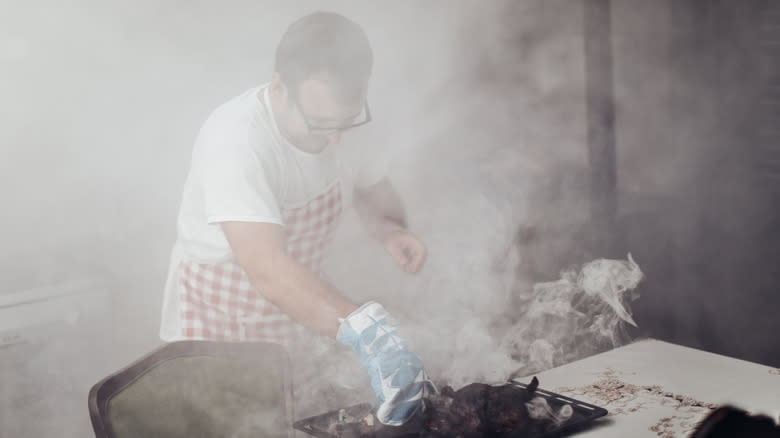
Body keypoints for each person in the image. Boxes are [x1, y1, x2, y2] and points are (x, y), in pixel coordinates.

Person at [159, 11, 434, 426]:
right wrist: (369, 333)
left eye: (348, 121)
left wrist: (388, 228)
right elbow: (268, 270)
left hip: (301, 301)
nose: (336, 137)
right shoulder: (235, 140)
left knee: (307, 419)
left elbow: (369, 184)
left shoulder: (341, 120)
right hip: (223, 317)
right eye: (322, 123)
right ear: (279, 88)